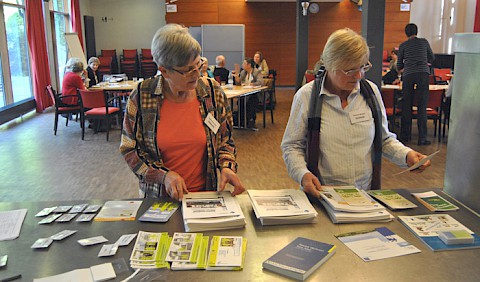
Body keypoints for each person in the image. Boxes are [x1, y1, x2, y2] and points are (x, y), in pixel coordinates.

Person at [281, 28, 431, 198]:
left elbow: (384, 139)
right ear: (330, 65)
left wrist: (406, 155)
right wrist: (303, 174)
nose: (358, 75)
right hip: (323, 195)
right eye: (349, 70)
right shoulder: (307, 96)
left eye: (362, 67)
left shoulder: (370, 93)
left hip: (365, 195)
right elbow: (291, 146)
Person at [119, 24, 245, 201]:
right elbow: (129, 149)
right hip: (159, 198)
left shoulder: (212, 93)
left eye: (198, 65)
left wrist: (226, 166)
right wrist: (163, 175)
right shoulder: (141, 96)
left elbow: (225, 139)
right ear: (164, 71)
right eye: (187, 70)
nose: (196, 74)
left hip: (204, 197)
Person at [397, 23, 435, 145]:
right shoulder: (424, 42)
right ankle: (422, 138)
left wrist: (407, 66)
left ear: (406, 33)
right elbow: (432, 57)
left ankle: (405, 136)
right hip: (423, 73)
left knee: (406, 105)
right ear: (417, 32)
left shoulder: (403, 45)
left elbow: (399, 65)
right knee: (422, 106)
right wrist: (423, 62)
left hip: (408, 74)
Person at [234, 57, 263, 128]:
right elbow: (239, 83)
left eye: (244, 64)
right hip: (245, 93)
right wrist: (237, 74)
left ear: (249, 65)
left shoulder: (256, 72)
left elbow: (260, 82)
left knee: (250, 102)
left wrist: (252, 84)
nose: (242, 65)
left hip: (255, 94)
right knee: (240, 101)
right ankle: (241, 121)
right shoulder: (243, 72)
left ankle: (249, 119)